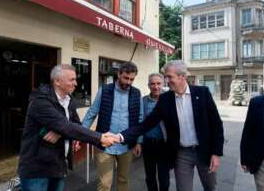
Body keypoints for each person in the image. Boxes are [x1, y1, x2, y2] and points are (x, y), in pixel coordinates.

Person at [119, 60, 224, 191]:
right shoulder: (165, 99)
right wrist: (122, 136)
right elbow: (147, 124)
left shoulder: (202, 93)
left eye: (170, 77)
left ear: (183, 76)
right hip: (182, 153)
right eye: (166, 77)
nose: (167, 81)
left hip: (205, 151)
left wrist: (216, 153)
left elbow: (216, 124)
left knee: (210, 187)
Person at [18, 64, 118, 191]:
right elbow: (65, 125)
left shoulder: (69, 99)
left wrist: (60, 132)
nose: (76, 83)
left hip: (58, 165)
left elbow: (73, 124)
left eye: (75, 79)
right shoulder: (40, 100)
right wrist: (100, 138)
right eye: (72, 80)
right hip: (37, 169)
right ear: (57, 81)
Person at [81, 61, 143, 191]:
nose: (129, 82)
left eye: (132, 79)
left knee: (123, 180)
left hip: (126, 145)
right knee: (104, 184)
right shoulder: (104, 90)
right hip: (105, 145)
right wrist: (80, 133)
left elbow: (140, 119)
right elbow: (92, 113)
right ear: (119, 74)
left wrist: (139, 141)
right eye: (126, 78)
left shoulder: (136, 93)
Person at [142, 73, 170, 191]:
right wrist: (139, 142)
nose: (156, 87)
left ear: (163, 84)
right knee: (150, 177)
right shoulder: (143, 101)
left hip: (164, 145)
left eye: (158, 83)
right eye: (153, 84)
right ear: (148, 85)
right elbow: (140, 122)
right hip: (148, 144)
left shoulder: (169, 99)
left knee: (164, 179)